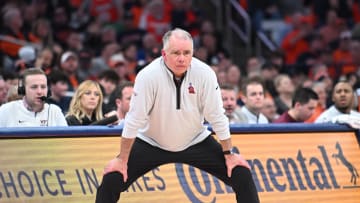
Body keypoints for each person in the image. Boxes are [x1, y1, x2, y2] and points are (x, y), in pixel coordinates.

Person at [95, 28, 260, 203]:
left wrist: (229, 154)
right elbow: (134, 120)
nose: (182, 58)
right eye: (176, 53)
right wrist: (122, 159)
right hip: (152, 141)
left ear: (193, 53)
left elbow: (217, 116)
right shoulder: (147, 76)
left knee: (240, 173)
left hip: (195, 139)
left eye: (187, 53)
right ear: (164, 54)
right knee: (112, 178)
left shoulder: (205, 73)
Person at [0, 68, 67, 127]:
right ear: (23, 90)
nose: (39, 92)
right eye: (34, 87)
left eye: (43, 87)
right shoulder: (6, 110)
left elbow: (65, 140)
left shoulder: (55, 112)